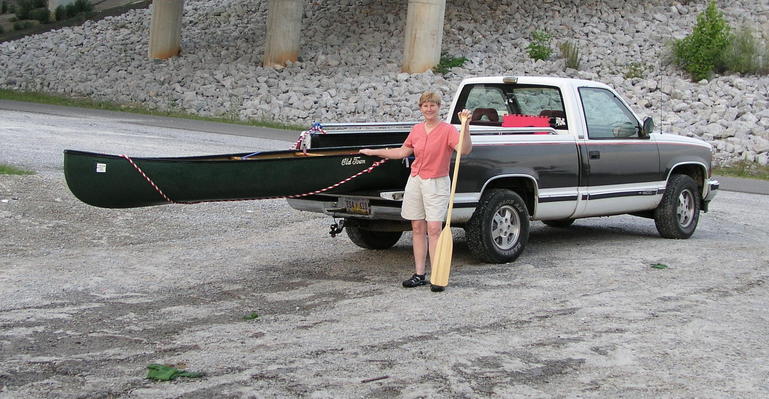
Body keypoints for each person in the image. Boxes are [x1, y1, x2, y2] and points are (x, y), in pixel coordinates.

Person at [360, 92, 472, 287]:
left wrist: (466, 126)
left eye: (433, 105)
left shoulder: (448, 130)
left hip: (436, 183)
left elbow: (464, 150)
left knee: (434, 228)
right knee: (417, 227)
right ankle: (420, 274)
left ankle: (437, 276)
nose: (429, 109)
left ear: (439, 107)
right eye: (425, 106)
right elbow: (403, 151)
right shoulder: (417, 129)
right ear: (421, 108)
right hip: (416, 180)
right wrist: (375, 152)